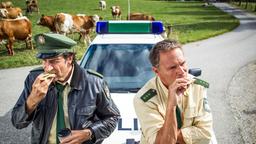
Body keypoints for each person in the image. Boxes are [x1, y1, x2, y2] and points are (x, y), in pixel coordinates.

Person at [11, 33, 120, 144]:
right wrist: (32, 100)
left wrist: (89, 133)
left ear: (69, 58)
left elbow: (112, 118)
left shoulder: (94, 83)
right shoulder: (33, 79)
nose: (47, 68)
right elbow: (17, 122)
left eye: (54, 61)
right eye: (44, 61)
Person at [133, 39, 217, 144]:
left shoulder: (197, 87)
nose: (181, 71)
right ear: (157, 71)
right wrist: (171, 106)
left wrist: (170, 134)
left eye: (182, 63)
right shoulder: (143, 99)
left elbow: (206, 133)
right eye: (172, 68)